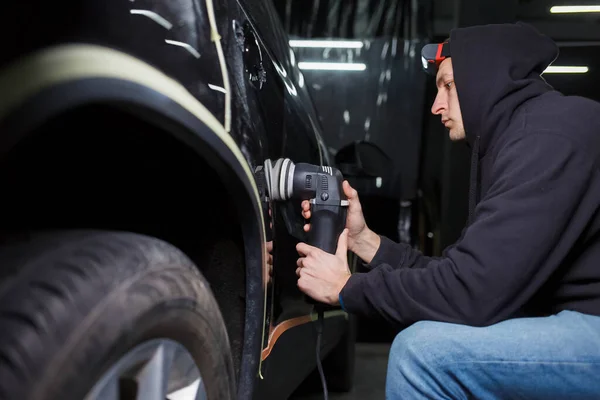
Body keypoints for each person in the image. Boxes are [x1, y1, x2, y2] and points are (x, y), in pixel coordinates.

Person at [295, 22, 600, 399]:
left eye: (448, 86)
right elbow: (466, 276)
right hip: (575, 319)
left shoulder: (548, 137)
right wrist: (365, 241)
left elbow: (471, 292)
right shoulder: (521, 136)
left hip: (592, 328)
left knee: (421, 354)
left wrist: (347, 287)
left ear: (484, 78)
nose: (436, 104)